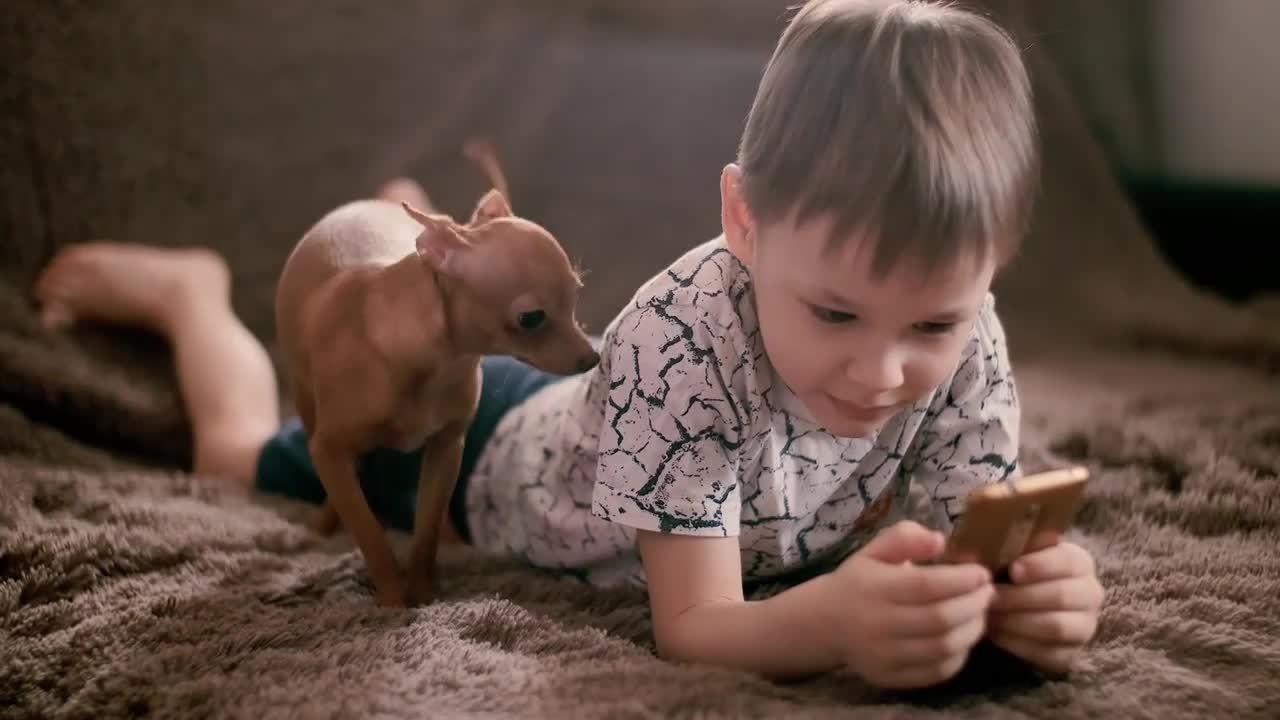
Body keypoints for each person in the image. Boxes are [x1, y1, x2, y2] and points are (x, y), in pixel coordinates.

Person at [33, 0, 1103, 690]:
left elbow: (968, 532)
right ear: (742, 221)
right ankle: (192, 295)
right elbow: (696, 628)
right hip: (491, 452)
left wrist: (1038, 595)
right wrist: (834, 625)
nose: (881, 375)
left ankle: (420, 230)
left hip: (587, 418)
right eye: (831, 313)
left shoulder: (971, 336)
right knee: (237, 454)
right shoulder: (682, 339)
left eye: (931, 323)